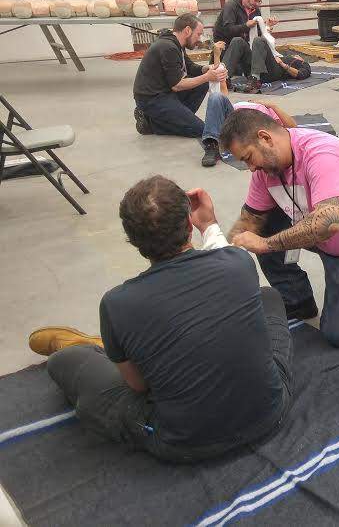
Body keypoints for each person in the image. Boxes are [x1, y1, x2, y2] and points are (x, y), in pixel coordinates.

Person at [27, 176, 293, 462]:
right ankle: (124, 348)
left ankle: (107, 349)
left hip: (186, 442)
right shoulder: (239, 263)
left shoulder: (118, 304)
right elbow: (222, 256)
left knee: (63, 362)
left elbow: (139, 386)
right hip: (270, 414)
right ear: (189, 225)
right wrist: (210, 225)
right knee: (267, 297)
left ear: (132, 240)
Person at [219, 108, 339, 348]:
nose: (251, 168)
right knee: (259, 227)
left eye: (247, 158)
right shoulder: (267, 170)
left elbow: (328, 223)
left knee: (338, 334)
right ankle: (298, 301)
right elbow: (248, 220)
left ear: (265, 138)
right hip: (322, 236)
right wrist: (215, 257)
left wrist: (266, 245)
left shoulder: (324, 155)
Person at [132, 13, 227, 147]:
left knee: (202, 83)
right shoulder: (168, 47)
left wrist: (207, 68)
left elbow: (189, 67)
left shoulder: (176, 44)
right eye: (198, 34)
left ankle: (172, 119)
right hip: (152, 98)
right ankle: (152, 123)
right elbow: (177, 85)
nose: (199, 39)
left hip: (165, 93)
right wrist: (208, 76)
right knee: (201, 129)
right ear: (188, 30)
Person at [199, 92, 297, 167]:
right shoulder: (236, 107)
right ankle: (211, 145)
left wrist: (273, 106)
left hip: (248, 129)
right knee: (216, 96)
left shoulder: (267, 111)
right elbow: (221, 100)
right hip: (231, 120)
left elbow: (293, 128)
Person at [214, 0, 280, 78]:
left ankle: (255, 78)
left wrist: (267, 27)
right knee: (237, 41)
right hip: (227, 48)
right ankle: (224, 79)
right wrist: (245, 26)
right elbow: (227, 30)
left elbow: (258, 34)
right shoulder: (231, 6)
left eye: (259, 1)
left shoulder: (256, 10)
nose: (257, 4)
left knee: (256, 43)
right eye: (255, 0)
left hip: (246, 47)